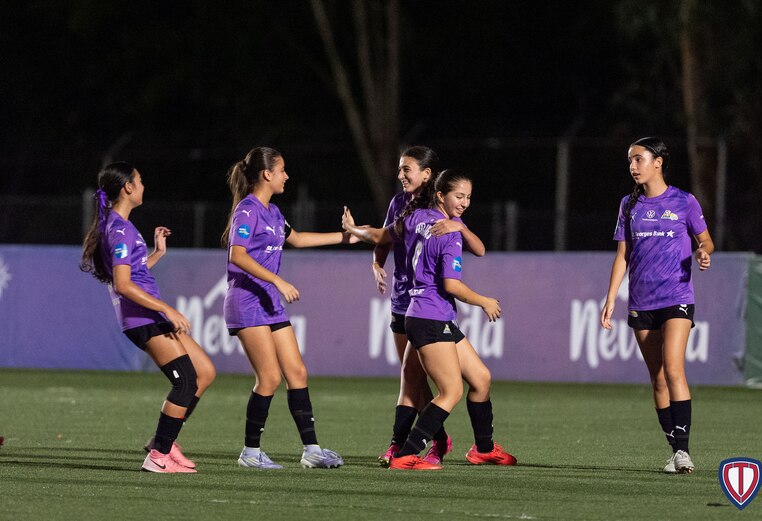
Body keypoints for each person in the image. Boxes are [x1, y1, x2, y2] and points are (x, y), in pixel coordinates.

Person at [346, 169, 516, 470]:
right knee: (450, 392)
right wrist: (484, 301)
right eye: (458, 196)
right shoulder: (447, 232)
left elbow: (381, 236)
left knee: (481, 378)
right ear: (440, 195)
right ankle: (405, 454)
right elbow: (452, 286)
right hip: (430, 316)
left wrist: (355, 230)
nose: (464, 203)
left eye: (468, 198)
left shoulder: (416, 218)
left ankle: (483, 449)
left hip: (424, 313)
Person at [223, 146, 358, 469]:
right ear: (267, 174)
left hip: (269, 303)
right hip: (246, 300)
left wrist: (346, 237)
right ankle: (250, 453)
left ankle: (312, 450)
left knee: (296, 372)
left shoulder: (273, 212)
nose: (286, 175)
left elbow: (297, 239)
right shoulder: (248, 210)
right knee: (268, 378)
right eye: (282, 170)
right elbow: (237, 255)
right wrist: (278, 281)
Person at [80, 162, 216, 474]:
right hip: (143, 318)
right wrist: (167, 308)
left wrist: (157, 254)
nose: (143, 185)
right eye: (139, 180)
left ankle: (163, 440)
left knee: (205, 371)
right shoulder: (120, 229)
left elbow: (133, 274)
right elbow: (124, 284)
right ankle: (158, 456)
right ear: (127, 187)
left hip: (147, 313)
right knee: (185, 382)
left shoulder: (118, 226)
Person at [600, 137, 714, 474]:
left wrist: (703, 251)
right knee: (658, 380)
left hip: (677, 297)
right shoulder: (628, 205)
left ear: (658, 161)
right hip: (641, 301)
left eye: (638, 159)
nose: (632, 166)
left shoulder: (684, 201)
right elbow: (623, 256)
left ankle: (684, 451)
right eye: (630, 161)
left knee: (674, 368)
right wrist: (610, 298)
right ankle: (675, 449)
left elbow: (704, 238)